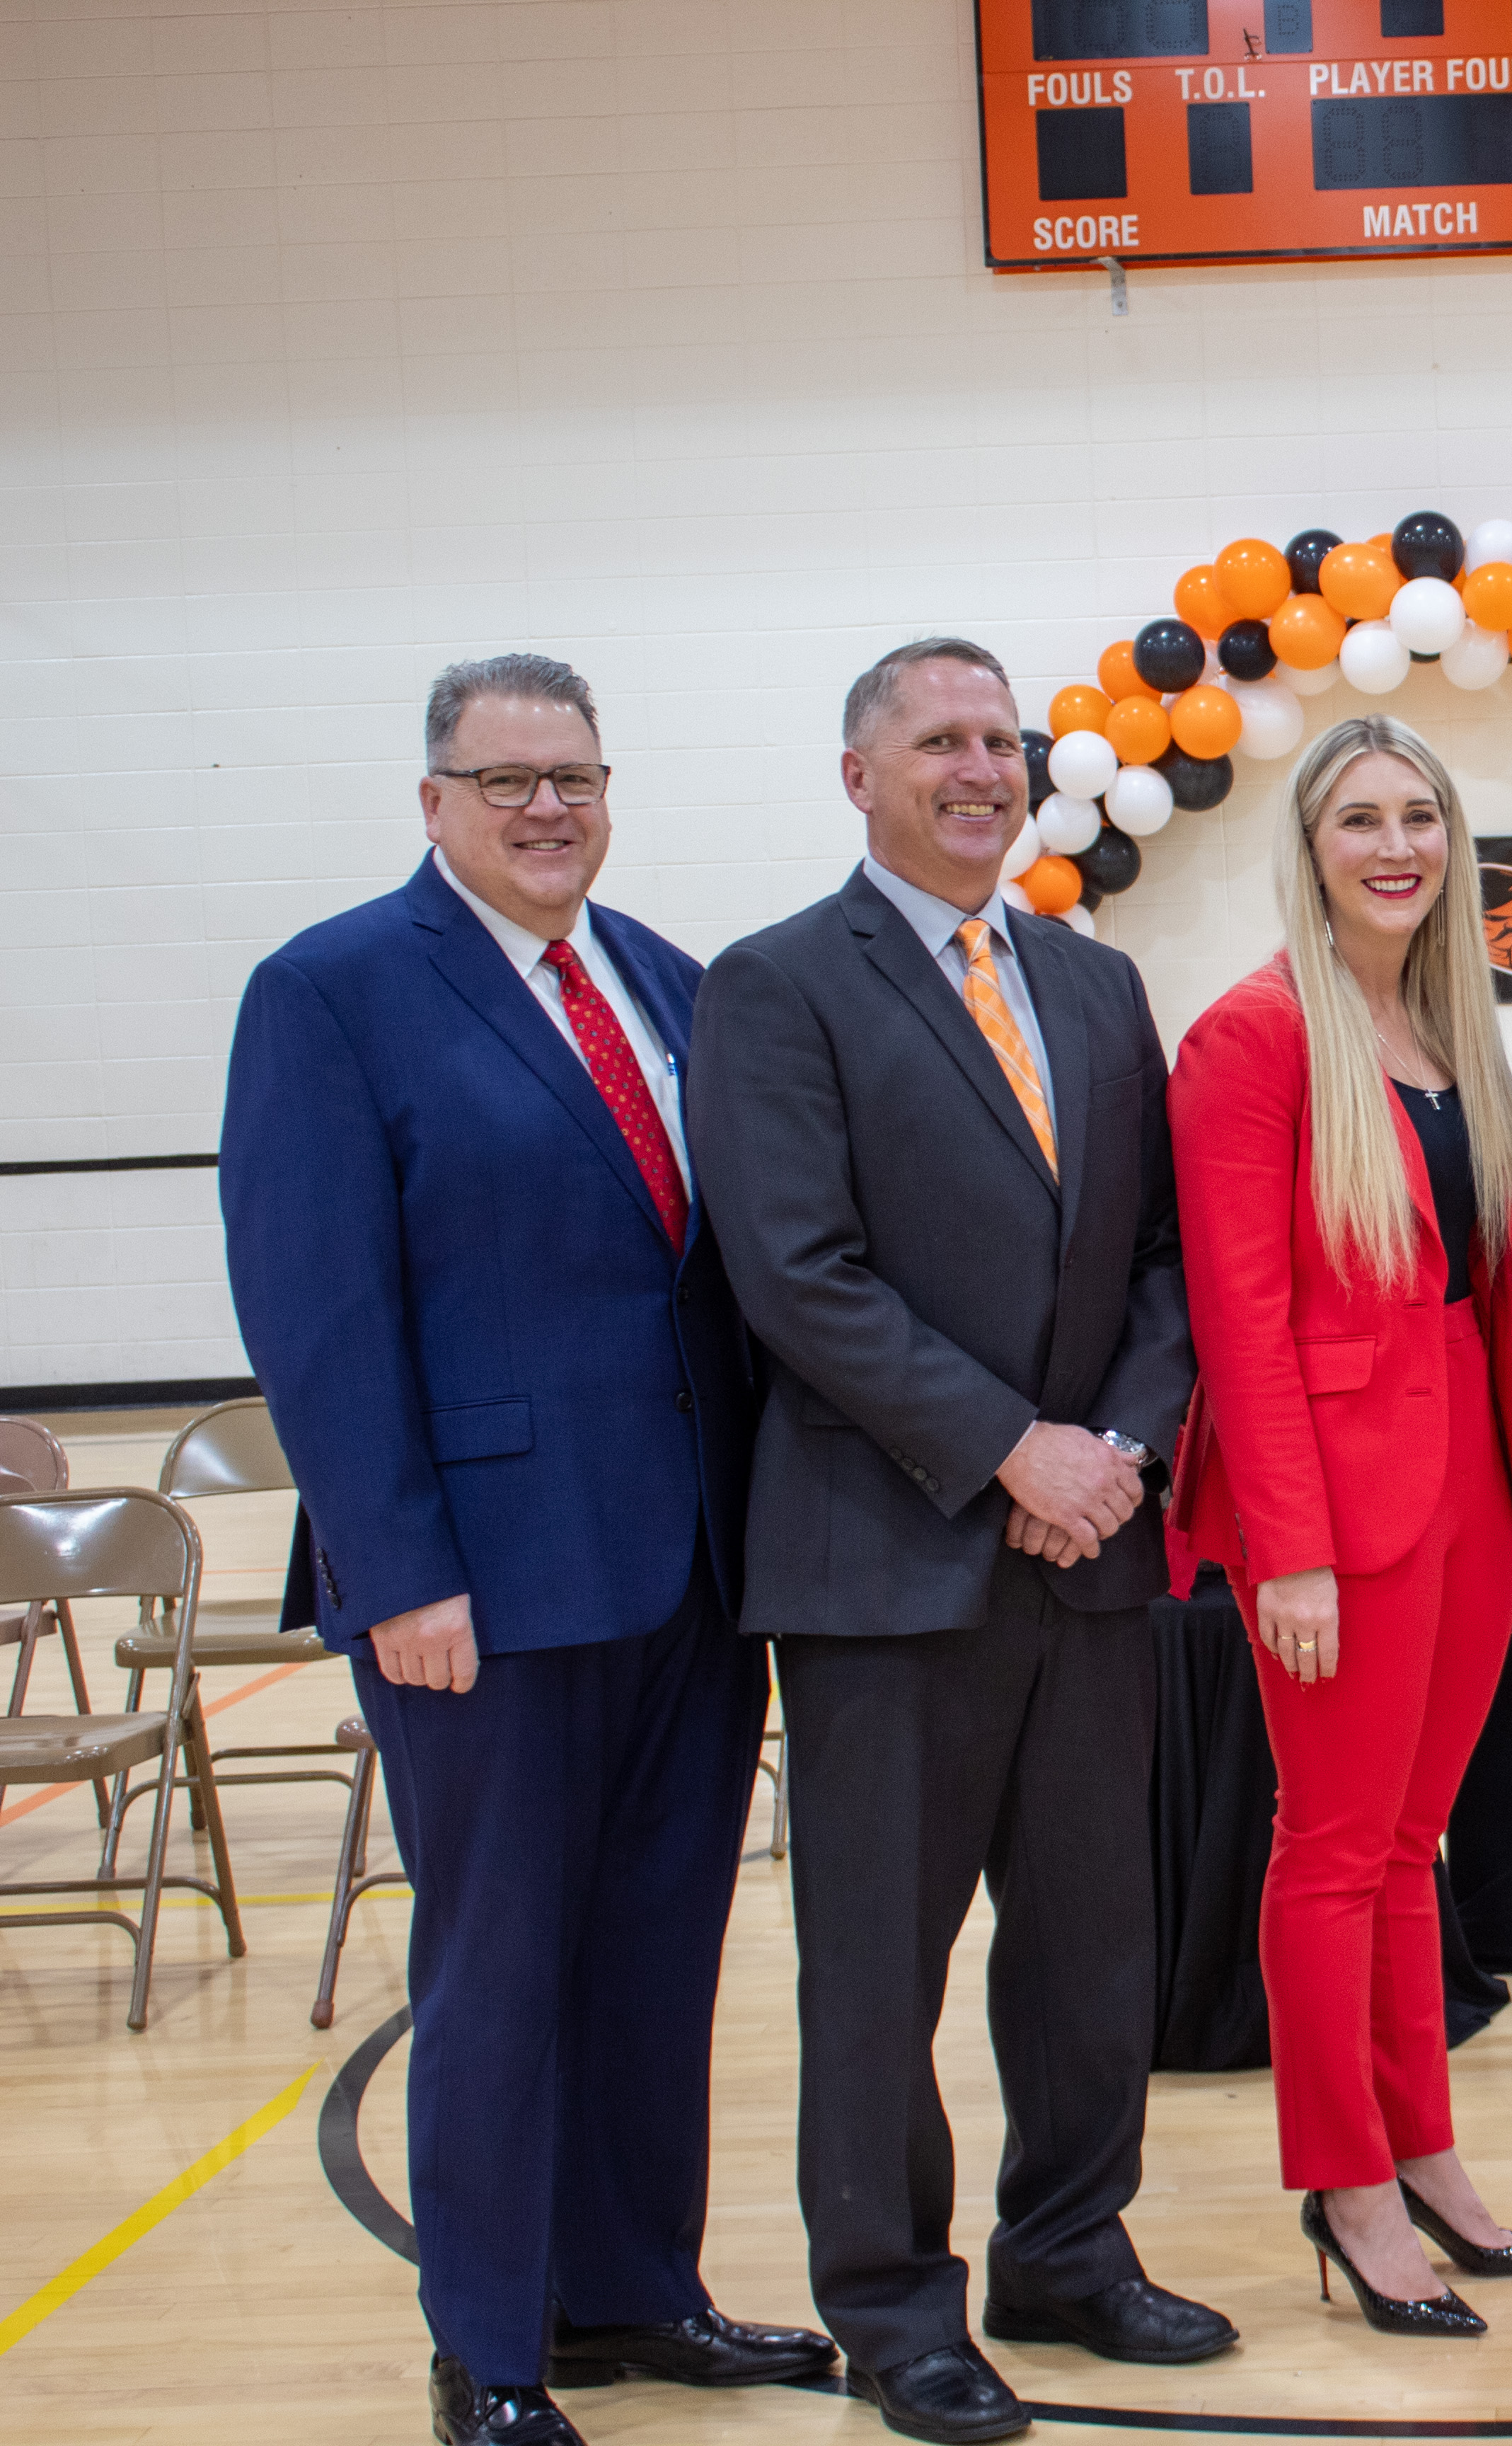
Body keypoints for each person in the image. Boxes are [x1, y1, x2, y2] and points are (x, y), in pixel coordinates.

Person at [221, 654, 831, 2446]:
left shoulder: (665, 979)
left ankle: (635, 2293)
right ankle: (489, 2345)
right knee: (497, 1970)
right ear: (435, 803)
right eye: (508, 782)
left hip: (694, 1570)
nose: (548, 808)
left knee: (659, 1951)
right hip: (477, 1591)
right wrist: (394, 1567)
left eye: (574, 775)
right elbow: (317, 1317)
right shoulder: (331, 993)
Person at [686, 639, 1222, 2446]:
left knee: (1092, 1948)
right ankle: (893, 2309)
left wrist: (1121, 1453)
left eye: (1002, 740)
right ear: (860, 776)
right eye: (940, 742)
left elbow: (1158, 1263)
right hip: (885, 1562)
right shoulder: (774, 991)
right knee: (879, 1972)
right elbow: (797, 1277)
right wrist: (1012, 1453)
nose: (981, 769)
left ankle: (1070, 2252)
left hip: (1091, 1559)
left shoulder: (1091, 982)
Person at [1162, 718, 1512, 2338]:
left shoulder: (1448, 1025)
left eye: (1421, 816)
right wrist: (1295, 1548)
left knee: (1414, 1850)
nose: (1395, 843)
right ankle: (1345, 2187)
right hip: (1337, 1507)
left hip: (1471, 1491)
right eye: (1359, 819)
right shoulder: (1252, 1040)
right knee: (1333, 1855)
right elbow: (1241, 1323)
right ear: (1310, 847)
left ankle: (1428, 2158)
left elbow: (1492, 1296)